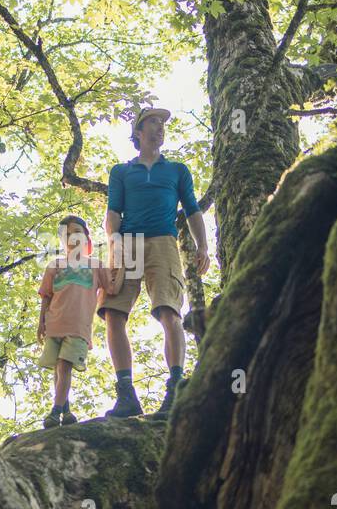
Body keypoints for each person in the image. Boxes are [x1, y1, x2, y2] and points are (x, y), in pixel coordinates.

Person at [99, 107, 210, 418]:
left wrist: (203, 246)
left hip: (163, 242)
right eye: (153, 122)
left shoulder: (177, 170)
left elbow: (192, 210)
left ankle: (175, 388)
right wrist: (114, 245)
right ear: (138, 131)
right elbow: (113, 215)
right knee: (113, 312)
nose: (160, 127)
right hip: (128, 243)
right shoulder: (121, 171)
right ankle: (126, 394)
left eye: (163, 123)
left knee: (168, 310)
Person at [37, 215, 123, 428]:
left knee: (65, 365)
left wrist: (122, 268)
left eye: (77, 232)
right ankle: (65, 409)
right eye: (66, 235)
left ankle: (55, 411)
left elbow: (111, 288)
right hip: (54, 324)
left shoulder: (95, 265)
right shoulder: (55, 265)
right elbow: (46, 295)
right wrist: (41, 323)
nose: (72, 237)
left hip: (78, 327)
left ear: (87, 238)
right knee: (58, 368)